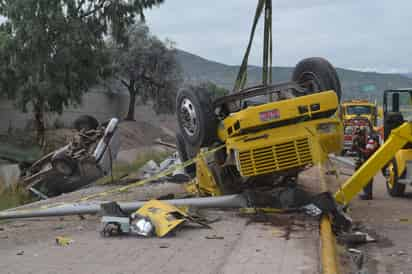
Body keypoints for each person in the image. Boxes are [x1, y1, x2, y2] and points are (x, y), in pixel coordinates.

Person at [352, 126, 380, 200]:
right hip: (365, 159)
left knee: (367, 176)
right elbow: (353, 148)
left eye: (359, 135)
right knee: (359, 173)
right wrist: (355, 142)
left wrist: (358, 147)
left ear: (364, 134)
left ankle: (368, 194)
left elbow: (367, 153)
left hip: (372, 160)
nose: (358, 137)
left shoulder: (371, 139)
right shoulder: (361, 139)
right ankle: (366, 192)